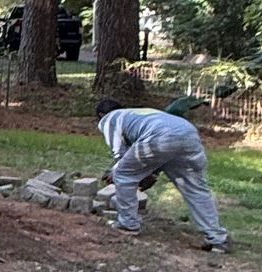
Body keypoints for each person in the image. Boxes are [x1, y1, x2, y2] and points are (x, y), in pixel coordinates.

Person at [94, 100, 230, 251]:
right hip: (188, 133)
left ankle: (128, 224)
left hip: (161, 136)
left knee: (122, 175)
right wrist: (152, 174)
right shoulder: (138, 113)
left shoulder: (109, 119)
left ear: (100, 115)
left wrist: (116, 172)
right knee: (195, 188)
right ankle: (217, 239)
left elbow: (120, 152)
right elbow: (154, 153)